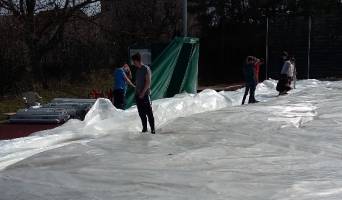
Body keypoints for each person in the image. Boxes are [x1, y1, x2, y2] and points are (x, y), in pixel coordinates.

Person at [132, 53, 155, 134]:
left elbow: (148, 82)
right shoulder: (137, 70)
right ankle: (144, 128)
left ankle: (152, 129)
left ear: (137, 61)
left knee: (149, 112)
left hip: (145, 95)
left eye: (134, 62)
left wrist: (143, 92)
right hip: (138, 95)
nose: (133, 63)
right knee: (141, 113)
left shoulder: (146, 69)